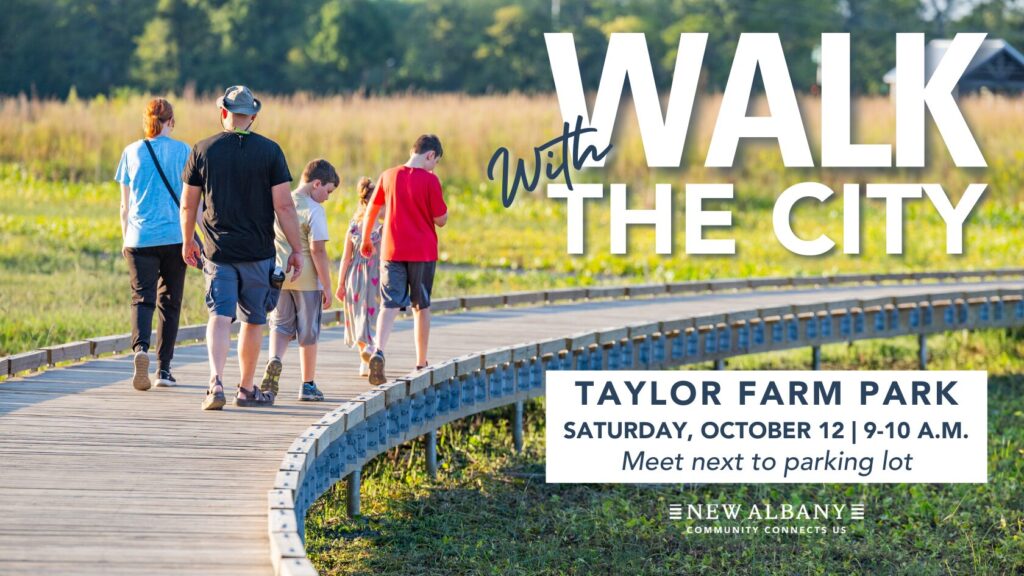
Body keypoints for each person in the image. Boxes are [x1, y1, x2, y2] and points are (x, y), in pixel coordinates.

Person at [180, 85, 304, 411]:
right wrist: (296, 248)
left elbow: (188, 205)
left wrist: (187, 240)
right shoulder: (270, 151)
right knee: (253, 320)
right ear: (253, 117)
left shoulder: (202, 150)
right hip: (257, 252)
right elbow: (285, 207)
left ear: (223, 113)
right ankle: (247, 389)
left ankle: (215, 382)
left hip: (217, 252)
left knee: (219, 316)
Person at [115, 98, 191, 392]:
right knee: (170, 303)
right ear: (170, 122)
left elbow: (125, 205)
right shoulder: (184, 150)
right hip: (174, 237)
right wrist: (195, 236)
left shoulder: (130, 152)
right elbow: (190, 201)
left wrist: (125, 239)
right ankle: (165, 369)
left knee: (141, 298)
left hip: (138, 238)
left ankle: (140, 350)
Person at [360, 134, 448, 385]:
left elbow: (372, 210)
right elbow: (440, 219)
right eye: (436, 161)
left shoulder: (388, 175)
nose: (434, 166)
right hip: (422, 252)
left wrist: (366, 239)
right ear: (430, 155)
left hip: (391, 250)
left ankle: (378, 350)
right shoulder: (430, 181)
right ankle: (421, 362)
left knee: (389, 304)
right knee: (421, 305)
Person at [259, 159, 339, 402]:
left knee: (280, 325)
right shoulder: (314, 210)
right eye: (328, 191)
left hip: (279, 276)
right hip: (306, 279)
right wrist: (326, 284)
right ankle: (308, 384)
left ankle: (274, 360)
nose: (327, 197)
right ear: (317, 184)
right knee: (308, 332)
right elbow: (318, 251)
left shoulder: (281, 202)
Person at [336, 177, 383, 378]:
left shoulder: (354, 226)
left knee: (358, 315)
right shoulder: (382, 228)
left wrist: (340, 284)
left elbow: (346, 258)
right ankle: (372, 350)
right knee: (374, 314)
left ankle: (364, 357)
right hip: (376, 276)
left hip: (354, 277)